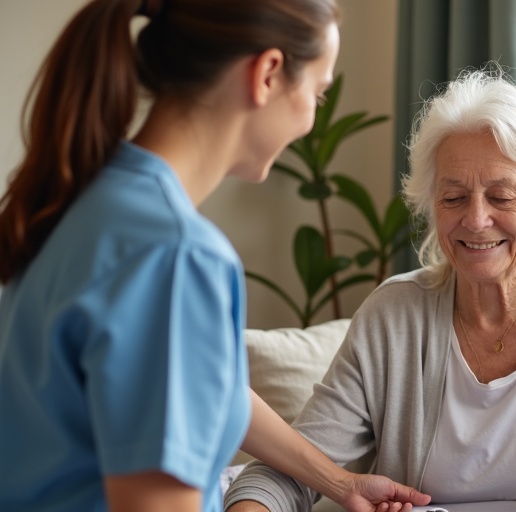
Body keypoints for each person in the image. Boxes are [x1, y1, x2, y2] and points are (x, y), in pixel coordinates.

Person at [0, 1, 430, 511]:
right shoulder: (174, 255)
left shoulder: (84, 202)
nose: (312, 121)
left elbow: (198, 386)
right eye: (317, 93)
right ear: (267, 74)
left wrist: (341, 482)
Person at [223, 66, 516, 512]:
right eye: (453, 197)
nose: (475, 220)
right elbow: (285, 473)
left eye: (501, 195)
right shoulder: (393, 316)